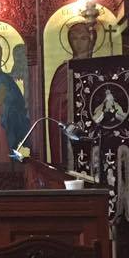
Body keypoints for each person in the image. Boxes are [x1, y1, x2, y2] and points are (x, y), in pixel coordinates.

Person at [47, 21, 97, 161]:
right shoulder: (64, 70)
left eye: (83, 38)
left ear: (92, 41)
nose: (79, 43)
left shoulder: (100, 68)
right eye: (74, 38)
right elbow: (56, 106)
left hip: (96, 126)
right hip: (72, 129)